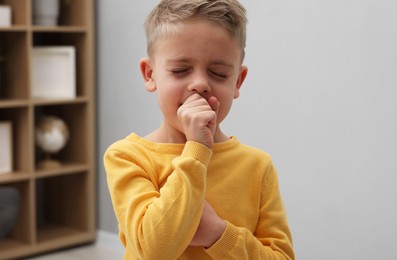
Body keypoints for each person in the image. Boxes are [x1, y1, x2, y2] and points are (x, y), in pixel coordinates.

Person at [103, 0, 294, 259]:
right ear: (150, 74)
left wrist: (218, 234)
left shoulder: (258, 166)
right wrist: (197, 151)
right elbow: (153, 250)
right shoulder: (127, 157)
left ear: (238, 81)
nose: (200, 84)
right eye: (180, 70)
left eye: (218, 73)